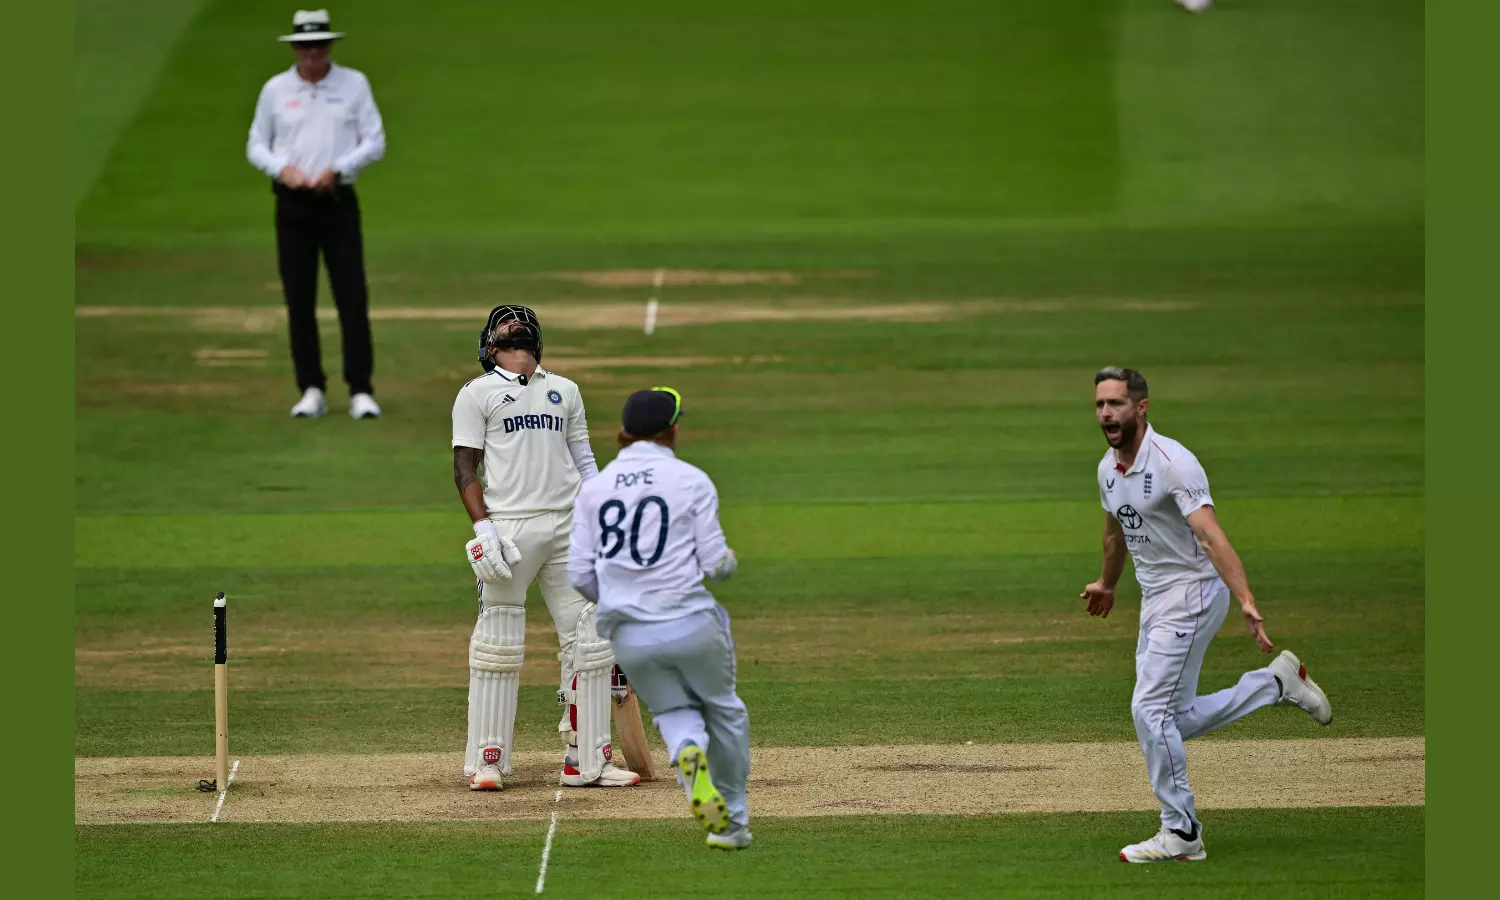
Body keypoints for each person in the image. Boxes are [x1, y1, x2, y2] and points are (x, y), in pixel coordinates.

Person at [1080, 366, 1332, 863]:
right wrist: (1108, 583)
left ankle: (1182, 831)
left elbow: (1211, 536)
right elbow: (1116, 532)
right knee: (1171, 718)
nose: (1106, 413)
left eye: (1116, 404)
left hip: (1194, 594)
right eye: (1099, 405)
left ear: (1141, 408)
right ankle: (1276, 684)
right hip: (1156, 600)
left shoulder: (1175, 463)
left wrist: (1246, 600)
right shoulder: (1108, 469)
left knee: (1147, 711)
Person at [452, 305, 639, 791]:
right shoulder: (476, 395)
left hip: (569, 526)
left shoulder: (565, 391)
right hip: (511, 529)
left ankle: (588, 760)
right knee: (498, 643)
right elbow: (464, 469)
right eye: (505, 335)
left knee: (591, 639)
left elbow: (584, 457)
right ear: (491, 348)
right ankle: (488, 761)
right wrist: (484, 529)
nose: (512, 341)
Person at [568, 387, 752, 851]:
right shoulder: (691, 479)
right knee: (724, 710)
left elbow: (579, 575)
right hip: (690, 621)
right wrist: (730, 559)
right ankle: (733, 820)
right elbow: (716, 565)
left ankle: (688, 758)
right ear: (672, 431)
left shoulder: (594, 489)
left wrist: (617, 601)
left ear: (623, 435)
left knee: (674, 712)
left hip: (631, 635)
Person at [246, 9, 386, 419]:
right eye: (305, 46)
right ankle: (311, 388)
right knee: (299, 298)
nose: (312, 53)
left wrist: (339, 169)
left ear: (330, 46)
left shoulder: (353, 84)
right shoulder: (275, 89)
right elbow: (256, 144)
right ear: (294, 48)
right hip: (293, 204)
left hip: (337, 201)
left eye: (319, 45)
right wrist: (282, 170)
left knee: (351, 296)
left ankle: (360, 389)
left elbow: (374, 141)